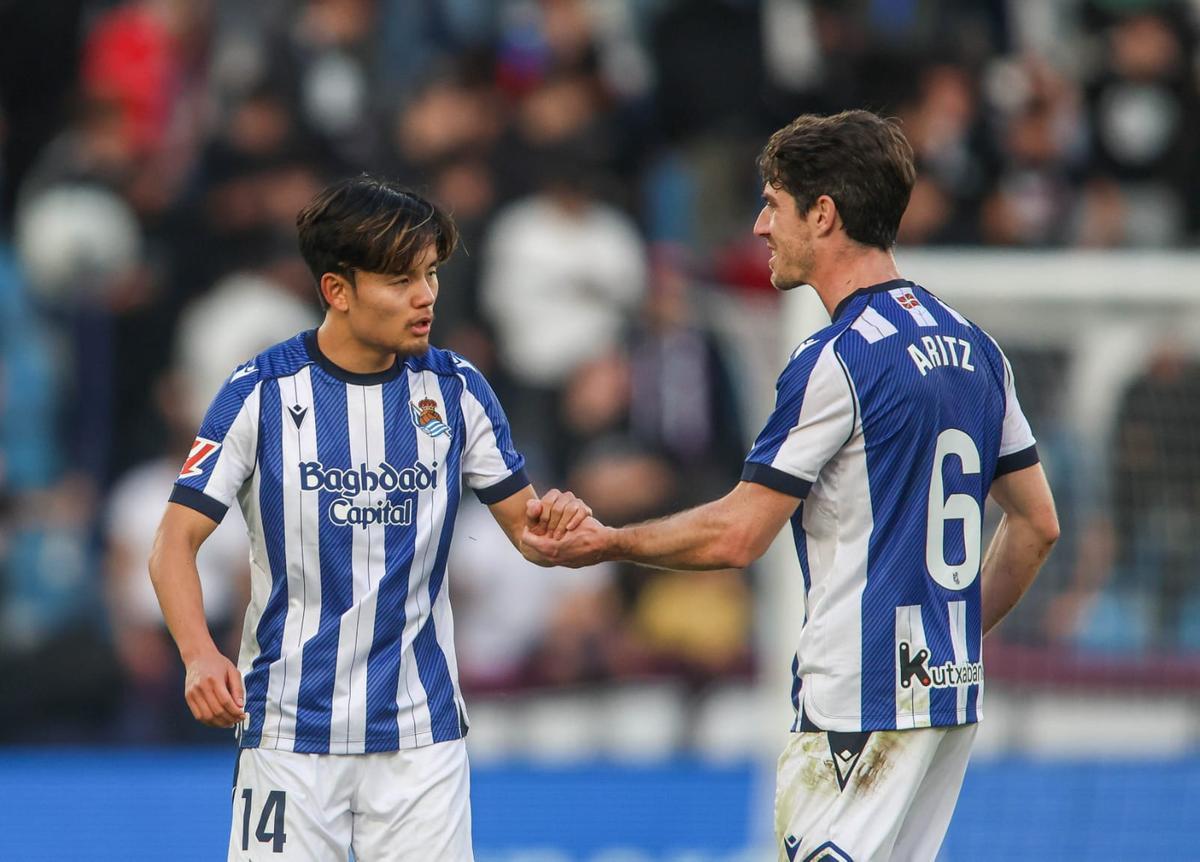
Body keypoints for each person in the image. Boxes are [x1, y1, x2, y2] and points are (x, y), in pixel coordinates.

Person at [522, 111, 1060, 861]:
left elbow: (739, 534)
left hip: (859, 698)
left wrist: (609, 542)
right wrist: (952, 639)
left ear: (824, 214)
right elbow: (1037, 526)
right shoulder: (977, 348)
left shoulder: (837, 360)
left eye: (773, 204)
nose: (760, 225)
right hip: (945, 700)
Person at [148, 176, 588, 861]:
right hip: (290, 735)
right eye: (401, 279)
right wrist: (199, 654)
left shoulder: (457, 390)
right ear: (338, 290)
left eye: (432, 274)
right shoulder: (259, 394)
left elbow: (528, 532)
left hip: (420, 741)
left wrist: (556, 518)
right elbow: (174, 542)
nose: (426, 296)